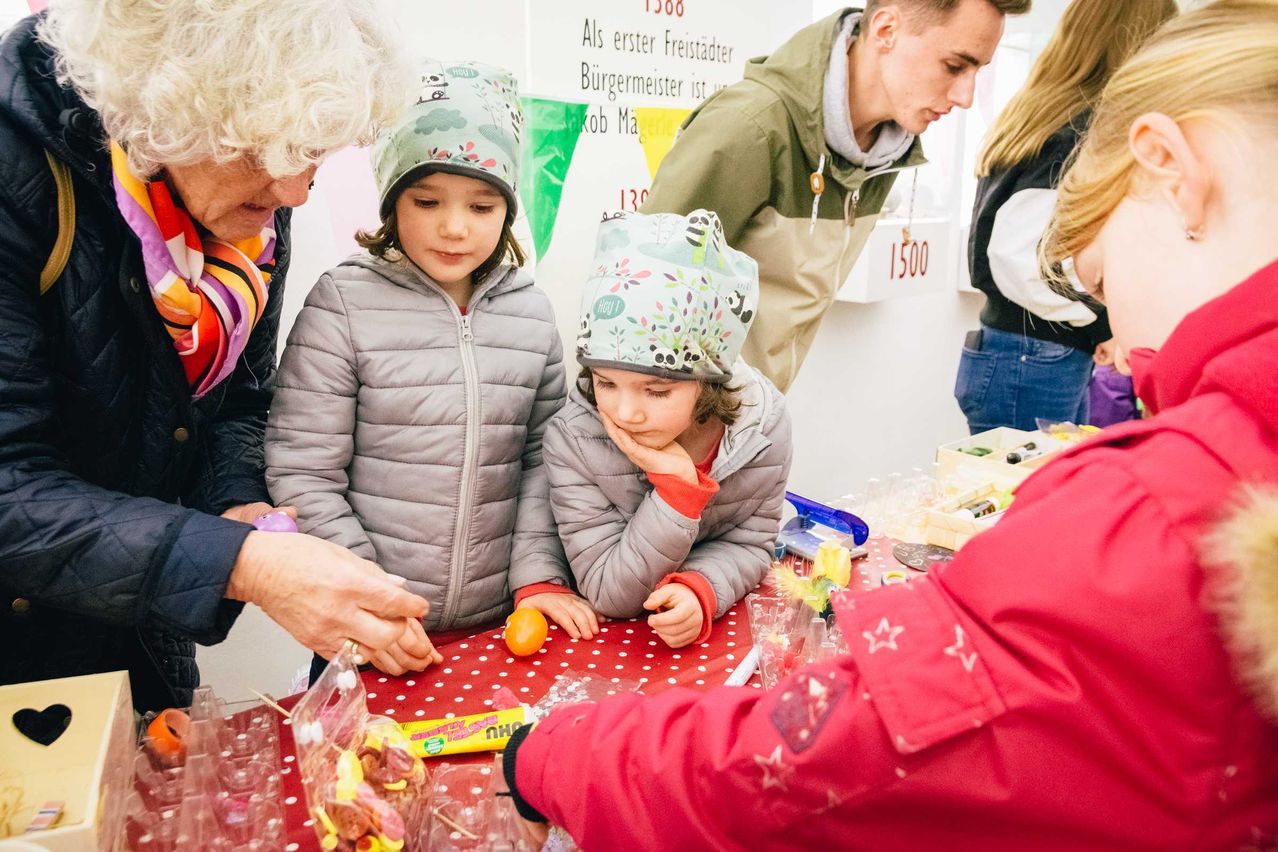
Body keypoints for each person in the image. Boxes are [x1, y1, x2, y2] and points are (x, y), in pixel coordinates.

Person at [502, 1, 1278, 846]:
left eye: (1096, 277)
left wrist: (568, 750)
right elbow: (642, 286)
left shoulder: (1147, 509)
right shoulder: (750, 134)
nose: (1117, 340)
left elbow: (826, 755)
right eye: (954, 65)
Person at [0, 0, 431, 711]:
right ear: (168, 107)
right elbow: (11, 485)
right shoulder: (18, 173)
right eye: (265, 152)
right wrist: (248, 566)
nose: (293, 190)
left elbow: (236, 399)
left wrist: (239, 507)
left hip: (135, 631)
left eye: (311, 155)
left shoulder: (249, 198)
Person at [266, 61, 598, 682]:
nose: (454, 227)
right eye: (426, 200)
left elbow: (546, 462)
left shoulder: (530, 312)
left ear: (507, 209)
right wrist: (374, 601)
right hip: (367, 633)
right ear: (392, 201)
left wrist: (538, 579)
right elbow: (303, 474)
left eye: (481, 204)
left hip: (503, 629)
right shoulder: (342, 304)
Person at [642, 0, 1028, 392]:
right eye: (954, 66)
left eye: (978, 70)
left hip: (750, 418)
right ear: (885, 30)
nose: (966, 96)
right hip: (677, 427)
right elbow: (642, 300)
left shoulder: (882, 150)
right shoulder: (749, 127)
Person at [545, 209, 792, 649]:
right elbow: (607, 592)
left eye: (656, 391)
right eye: (606, 383)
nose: (625, 411)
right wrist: (678, 493)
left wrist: (702, 588)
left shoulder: (763, 427)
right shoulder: (575, 438)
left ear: (708, 381)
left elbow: (751, 544)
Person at [956, 0, 1176, 433]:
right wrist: (1101, 325)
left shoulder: (1043, 115)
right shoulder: (1074, 130)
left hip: (1027, 353)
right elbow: (1021, 257)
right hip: (1034, 356)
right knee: (1029, 496)